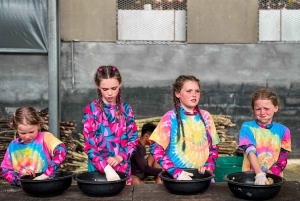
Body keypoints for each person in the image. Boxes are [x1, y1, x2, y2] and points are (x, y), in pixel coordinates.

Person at [149, 75, 220, 180]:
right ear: (177, 93)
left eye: (197, 91)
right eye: (189, 91)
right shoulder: (170, 117)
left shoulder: (206, 117)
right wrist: (176, 172)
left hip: (203, 178)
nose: (194, 95)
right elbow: (155, 149)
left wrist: (209, 167)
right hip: (177, 180)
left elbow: (214, 147)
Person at [83, 65, 139, 184]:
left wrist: (120, 157)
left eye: (114, 88)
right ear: (97, 85)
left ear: (120, 83)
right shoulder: (91, 110)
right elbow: (89, 145)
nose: (109, 93)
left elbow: (133, 140)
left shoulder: (126, 110)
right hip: (99, 169)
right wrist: (106, 167)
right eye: (105, 89)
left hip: (122, 166)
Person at [0, 107, 67, 186]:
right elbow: (5, 170)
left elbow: (61, 149)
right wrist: (21, 179)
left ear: (38, 125)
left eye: (31, 132)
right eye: (23, 133)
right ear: (16, 128)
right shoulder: (13, 146)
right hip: (24, 190)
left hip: (47, 185)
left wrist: (48, 172)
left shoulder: (46, 138)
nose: (27, 136)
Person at [238, 88, 291, 185]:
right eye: (258, 109)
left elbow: (283, 158)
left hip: (274, 179)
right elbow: (250, 151)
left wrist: (271, 172)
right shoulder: (247, 127)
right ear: (253, 109)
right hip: (251, 178)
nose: (262, 112)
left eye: (266, 108)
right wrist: (259, 174)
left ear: (276, 108)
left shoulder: (284, 131)